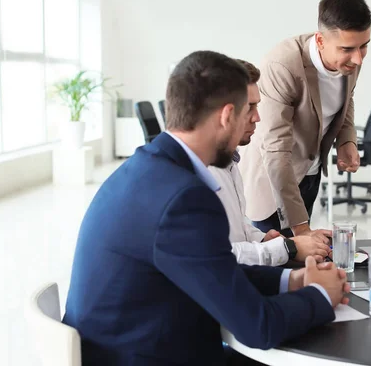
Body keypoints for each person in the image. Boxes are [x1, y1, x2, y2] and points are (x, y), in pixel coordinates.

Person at [62, 50, 352, 366]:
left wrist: (292, 282)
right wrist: (322, 296)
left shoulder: (147, 168)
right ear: (227, 116)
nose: (256, 118)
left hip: (129, 344)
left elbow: (215, 269)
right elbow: (258, 328)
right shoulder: (184, 199)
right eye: (249, 111)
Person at [238, 0, 371, 238]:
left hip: (310, 173)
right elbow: (276, 151)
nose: (358, 59)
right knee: (273, 265)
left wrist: (346, 139)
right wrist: (301, 229)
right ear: (320, 41)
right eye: (348, 49)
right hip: (273, 182)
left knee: (301, 268)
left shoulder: (350, 59)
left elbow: (347, 98)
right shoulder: (282, 66)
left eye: (364, 46)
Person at [209, 59, 332, 266]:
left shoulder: (228, 162)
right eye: (250, 108)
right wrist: (289, 248)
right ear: (224, 112)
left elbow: (237, 228)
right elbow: (217, 254)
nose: (258, 117)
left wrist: (265, 239)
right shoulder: (203, 174)